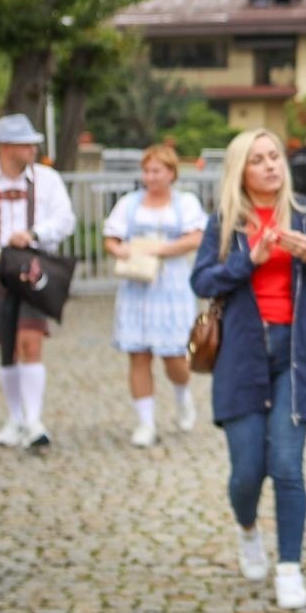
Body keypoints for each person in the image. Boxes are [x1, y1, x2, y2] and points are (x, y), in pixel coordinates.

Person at [191, 128, 306, 610]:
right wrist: (248, 260)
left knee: (285, 465)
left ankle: (289, 567)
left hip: (294, 356)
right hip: (241, 355)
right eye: (258, 159)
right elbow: (201, 280)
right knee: (246, 473)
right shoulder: (225, 223)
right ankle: (247, 529)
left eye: (274, 156)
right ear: (241, 170)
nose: (270, 165)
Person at [0, 113, 76, 449]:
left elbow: (65, 220)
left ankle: (34, 420)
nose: (33, 149)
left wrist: (34, 234)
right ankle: (15, 417)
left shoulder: (48, 180)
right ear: (6, 147)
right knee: (6, 342)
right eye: (26, 144)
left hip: (35, 267)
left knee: (31, 338)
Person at [103, 144, 208, 447]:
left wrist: (161, 249)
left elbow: (196, 237)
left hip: (171, 282)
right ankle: (145, 422)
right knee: (138, 353)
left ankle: (182, 394)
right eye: (146, 171)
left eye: (156, 171)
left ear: (171, 173)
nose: (150, 177)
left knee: (175, 354)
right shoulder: (129, 203)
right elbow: (111, 238)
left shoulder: (185, 203)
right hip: (137, 283)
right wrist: (120, 249)